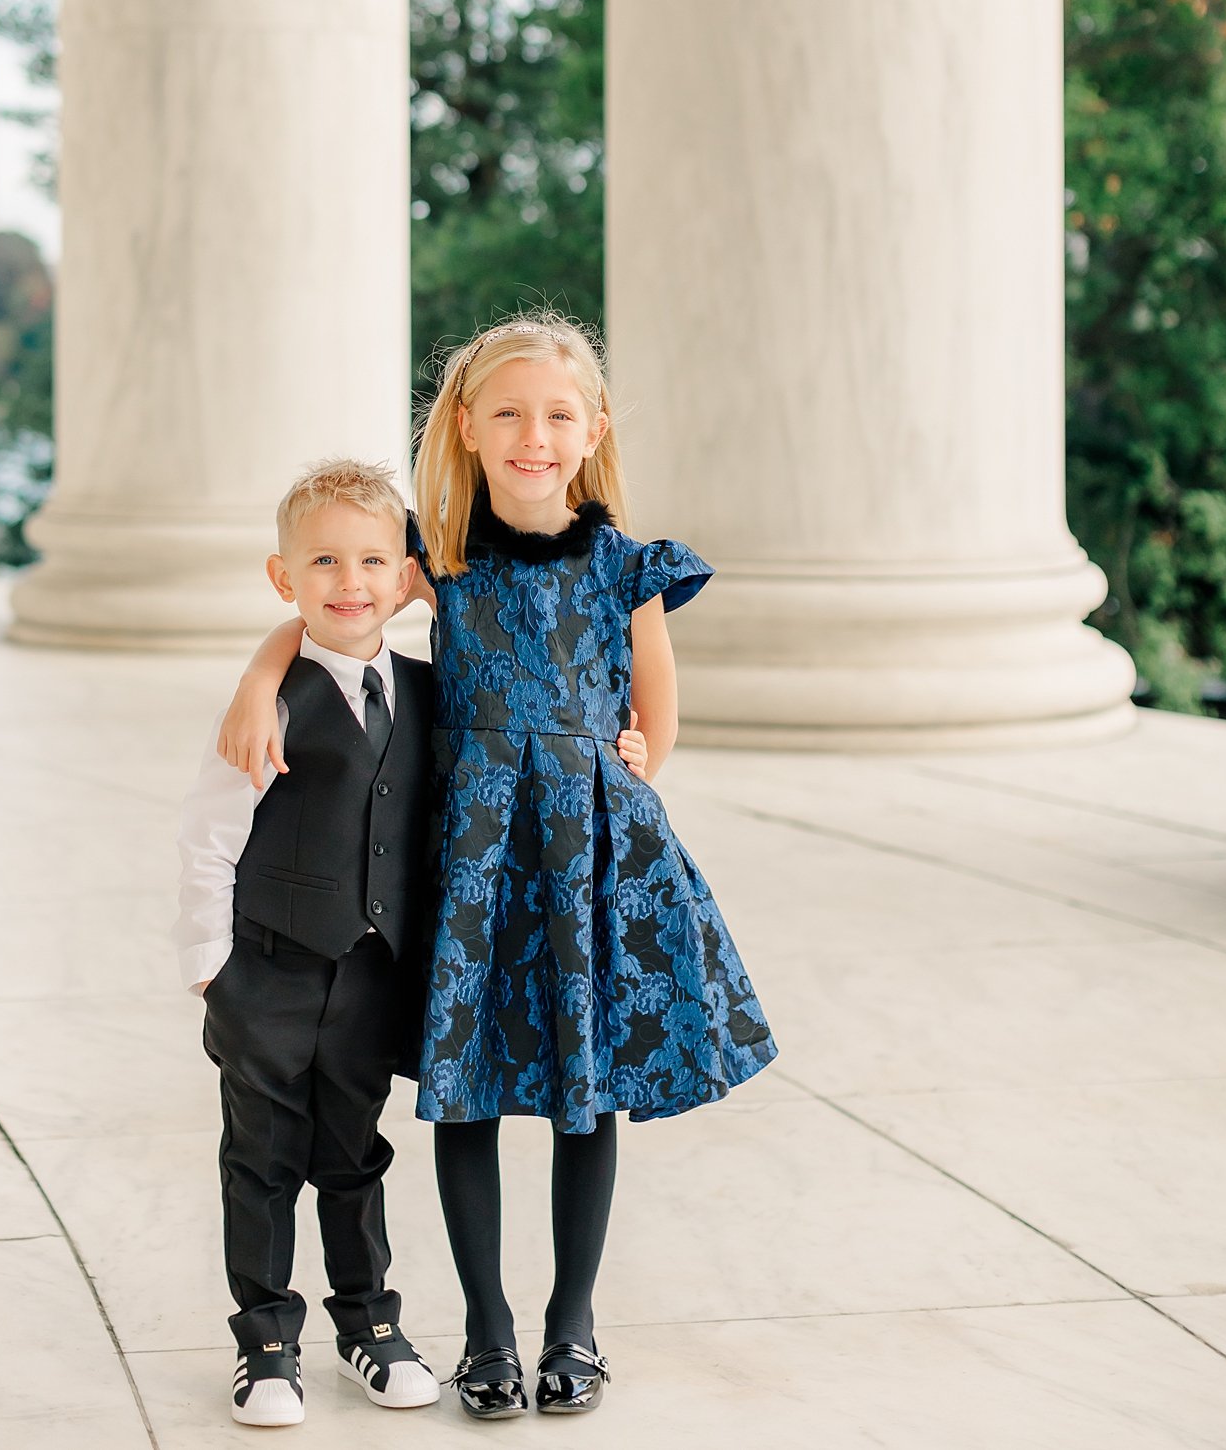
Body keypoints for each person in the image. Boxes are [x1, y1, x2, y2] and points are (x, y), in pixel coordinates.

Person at [217, 315, 775, 1420]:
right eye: (509, 413)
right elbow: (338, 609)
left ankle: (575, 1322)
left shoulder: (626, 566)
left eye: (558, 415)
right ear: (466, 426)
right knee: (464, 1090)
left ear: (593, 429)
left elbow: (655, 715)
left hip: (584, 855)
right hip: (472, 857)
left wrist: (625, 756)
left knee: (584, 1091)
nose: (534, 435)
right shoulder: (441, 556)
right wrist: (256, 673)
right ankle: (488, 1325)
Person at [172, 459, 442, 1427]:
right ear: (284, 578)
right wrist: (213, 968)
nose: (350, 580)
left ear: (409, 575)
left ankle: (371, 1326)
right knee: (261, 1158)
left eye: (374, 559)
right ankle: (267, 1342)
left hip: (373, 976)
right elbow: (213, 834)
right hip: (269, 971)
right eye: (323, 560)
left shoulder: (428, 690)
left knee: (353, 1153)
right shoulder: (270, 698)